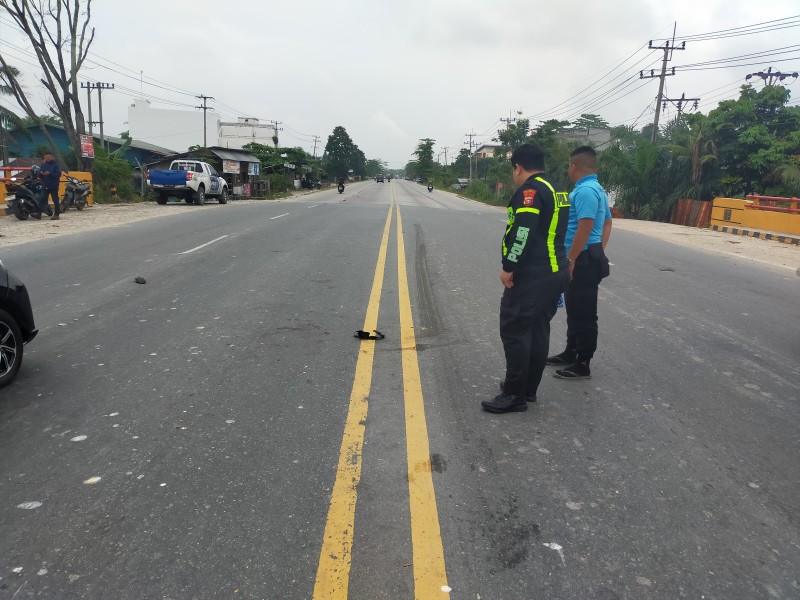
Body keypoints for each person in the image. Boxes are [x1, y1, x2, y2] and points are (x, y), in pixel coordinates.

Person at [481, 143, 570, 414]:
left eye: (513, 170)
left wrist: (509, 266)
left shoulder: (530, 191)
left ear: (518, 167)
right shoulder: (558, 190)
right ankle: (527, 388)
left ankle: (514, 394)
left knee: (515, 331)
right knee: (538, 330)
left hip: (532, 276)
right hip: (555, 273)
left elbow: (523, 232)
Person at [546, 146, 612, 379]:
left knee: (583, 312)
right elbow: (606, 224)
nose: (567, 170)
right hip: (588, 255)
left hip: (581, 259)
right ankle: (570, 351)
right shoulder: (598, 190)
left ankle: (583, 362)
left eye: (568, 166)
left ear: (574, 166)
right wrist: (598, 248)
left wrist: (572, 259)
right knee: (574, 308)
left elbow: (585, 226)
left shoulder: (584, 192)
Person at [38, 152, 63, 220]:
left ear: (51, 157)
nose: (47, 158)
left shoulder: (55, 165)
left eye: (48, 157)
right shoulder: (43, 165)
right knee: (41, 199)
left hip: (53, 185)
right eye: (46, 157)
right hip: (45, 185)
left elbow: (58, 174)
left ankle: (56, 214)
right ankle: (38, 214)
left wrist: (49, 173)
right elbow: (40, 175)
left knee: (55, 200)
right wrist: (41, 173)